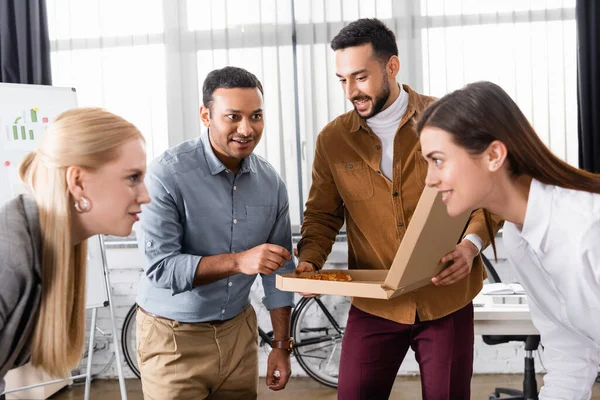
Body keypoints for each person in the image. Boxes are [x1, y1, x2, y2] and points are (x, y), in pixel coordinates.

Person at [295, 18, 502, 399]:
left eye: (360, 77)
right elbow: (322, 215)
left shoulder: (450, 120)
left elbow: (488, 194)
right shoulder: (333, 140)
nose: (350, 91)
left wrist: (471, 246)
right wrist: (310, 262)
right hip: (376, 304)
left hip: (445, 300)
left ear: (392, 66)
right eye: (342, 80)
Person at [418, 80, 600, 400]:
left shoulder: (587, 229)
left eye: (438, 160)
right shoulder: (519, 237)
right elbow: (570, 350)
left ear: (493, 155)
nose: (429, 179)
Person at [135, 66, 295, 400]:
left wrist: (281, 344)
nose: (246, 129)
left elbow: (278, 268)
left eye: (256, 116)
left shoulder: (271, 183)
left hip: (239, 335)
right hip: (172, 339)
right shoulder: (167, 175)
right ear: (205, 115)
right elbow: (161, 269)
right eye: (233, 116)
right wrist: (239, 262)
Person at [0, 108, 150, 397]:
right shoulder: (11, 252)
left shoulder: (49, 245)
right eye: (133, 177)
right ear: (78, 182)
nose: (145, 195)